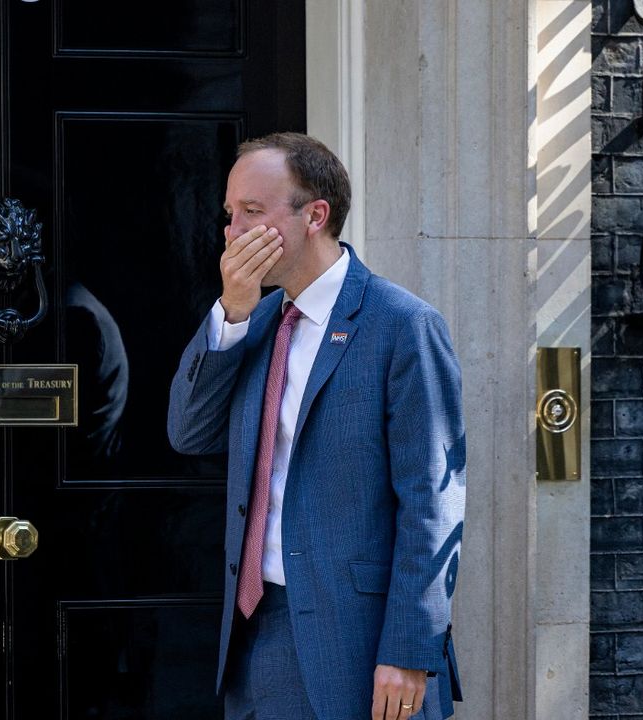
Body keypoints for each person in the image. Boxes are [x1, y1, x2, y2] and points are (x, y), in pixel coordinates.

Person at [167, 133, 465, 720]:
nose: (231, 232)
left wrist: (409, 648)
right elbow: (189, 432)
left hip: (359, 641)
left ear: (314, 216)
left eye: (252, 212)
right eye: (230, 215)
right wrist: (230, 312)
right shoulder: (252, 323)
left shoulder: (402, 325)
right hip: (254, 631)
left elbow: (433, 503)